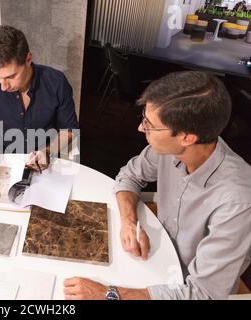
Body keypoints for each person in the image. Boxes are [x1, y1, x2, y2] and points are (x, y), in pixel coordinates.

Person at [64, 71, 251, 300]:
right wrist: (129, 223)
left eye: (150, 125)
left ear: (186, 138)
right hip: (153, 257)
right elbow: (129, 176)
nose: (141, 129)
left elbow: (203, 294)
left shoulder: (237, 200)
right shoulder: (171, 148)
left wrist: (109, 294)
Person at [0, 25, 78, 173]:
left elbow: (69, 129)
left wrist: (46, 151)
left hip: (45, 163)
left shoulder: (56, 82)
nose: (3, 87)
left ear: (28, 59)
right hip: (2, 162)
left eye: (10, 76)